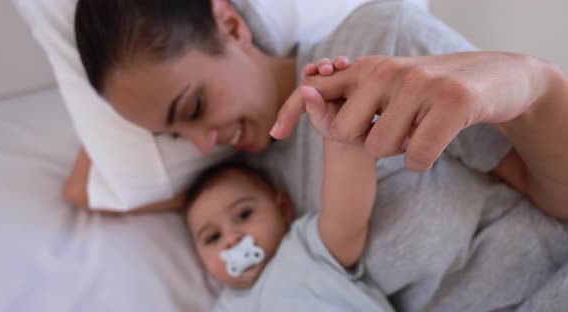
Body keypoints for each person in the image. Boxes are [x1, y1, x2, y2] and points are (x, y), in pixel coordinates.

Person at [70, 0, 568, 310]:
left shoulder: (377, 47)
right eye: (173, 136)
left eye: (195, 107)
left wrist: (534, 82)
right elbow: (85, 191)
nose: (202, 143)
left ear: (232, 24)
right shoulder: (246, 190)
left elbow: (555, 195)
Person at [181, 138, 390, 311]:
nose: (231, 238)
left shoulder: (304, 247)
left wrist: (347, 140)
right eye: (213, 237)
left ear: (283, 209)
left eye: (244, 215)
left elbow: (345, 219)